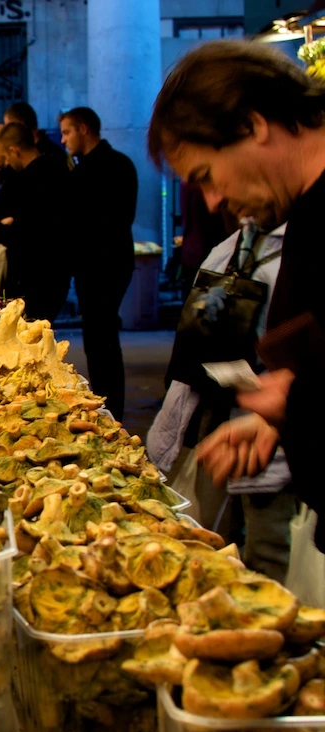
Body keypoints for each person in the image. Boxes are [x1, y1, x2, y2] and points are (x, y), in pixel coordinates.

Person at [148, 39, 325, 552]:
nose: (213, 201)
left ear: (252, 125)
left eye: (206, 176)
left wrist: (299, 402)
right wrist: (284, 418)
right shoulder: (303, 215)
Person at [148, 219, 298, 581]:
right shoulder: (229, 247)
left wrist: (285, 407)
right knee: (209, 534)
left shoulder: (293, 256)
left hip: (276, 431)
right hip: (220, 416)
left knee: (269, 546)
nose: (215, 202)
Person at [59, 107, 138, 420]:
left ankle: (108, 408)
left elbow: (87, 221)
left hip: (100, 264)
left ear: (83, 128)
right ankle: (108, 405)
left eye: (67, 132)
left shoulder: (96, 169)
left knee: (100, 340)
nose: (64, 140)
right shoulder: (120, 163)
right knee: (101, 338)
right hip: (109, 262)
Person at [0, 123, 71, 322]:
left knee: (32, 330)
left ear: (14, 151)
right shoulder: (55, 170)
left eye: (6, 156)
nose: (7, 163)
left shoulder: (32, 179)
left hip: (38, 276)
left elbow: (29, 234)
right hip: (56, 272)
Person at [178, 181, 228, 301]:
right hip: (208, 254)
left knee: (191, 302)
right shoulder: (205, 187)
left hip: (191, 252)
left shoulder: (186, 184)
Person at [4, 101, 72, 169]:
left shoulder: (47, 157)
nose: (7, 133)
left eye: (9, 128)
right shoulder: (53, 151)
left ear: (20, 126)